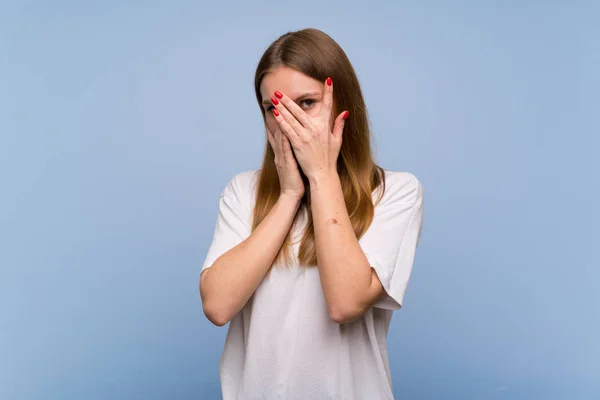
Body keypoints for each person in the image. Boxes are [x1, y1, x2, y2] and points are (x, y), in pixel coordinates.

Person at [199, 28, 424, 400]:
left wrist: (321, 175)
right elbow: (218, 306)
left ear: (342, 103)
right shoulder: (243, 191)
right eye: (273, 107)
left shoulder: (395, 192)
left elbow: (345, 303)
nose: (287, 120)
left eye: (306, 103)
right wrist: (289, 195)